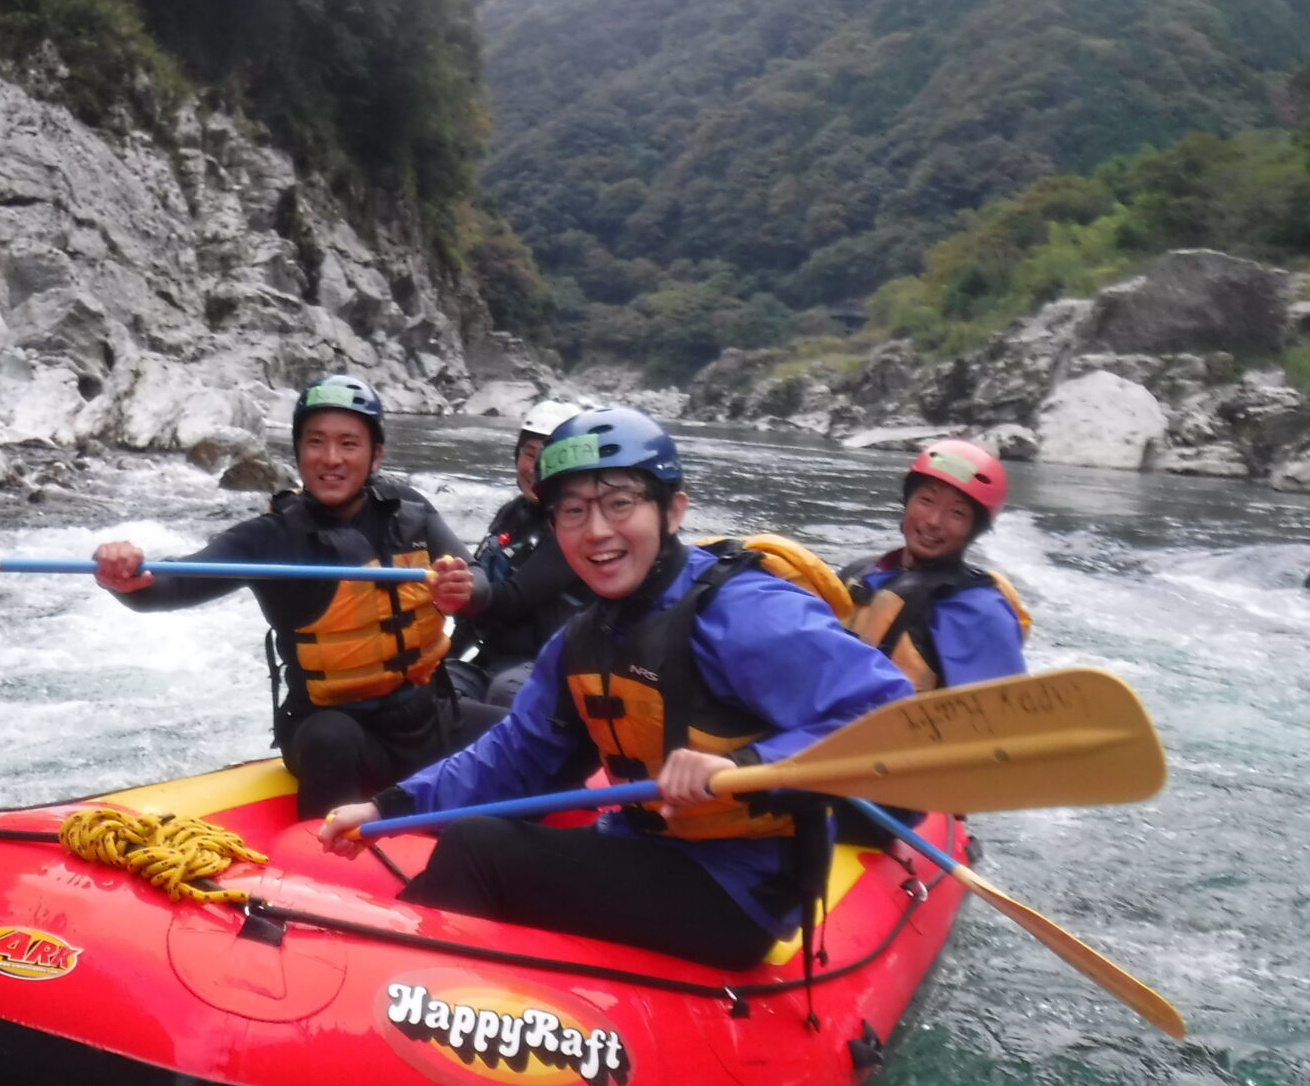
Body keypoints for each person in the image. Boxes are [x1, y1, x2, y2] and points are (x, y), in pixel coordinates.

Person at [318, 409, 914, 971]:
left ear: (672, 511)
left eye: (620, 503)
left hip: (737, 889)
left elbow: (888, 712)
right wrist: (386, 808)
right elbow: (512, 755)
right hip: (648, 850)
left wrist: (745, 762)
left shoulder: (744, 611)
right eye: (573, 512)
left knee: (479, 848)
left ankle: (396, 995)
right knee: (487, 835)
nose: (597, 530)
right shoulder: (583, 639)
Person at [93, 375, 497, 819]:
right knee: (331, 739)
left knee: (529, 734)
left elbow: (477, 582)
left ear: (375, 455)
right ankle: (325, 856)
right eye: (316, 443)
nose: (331, 459)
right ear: (298, 451)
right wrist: (126, 576)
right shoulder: (271, 538)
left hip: (429, 720)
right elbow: (171, 585)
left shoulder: (411, 514)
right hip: (339, 732)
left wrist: (464, 589)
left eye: (349, 444)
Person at [839, 439, 1030, 691]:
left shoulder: (979, 612)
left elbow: (1001, 717)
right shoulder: (862, 572)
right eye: (926, 500)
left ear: (974, 530)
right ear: (907, 502)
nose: (934, 521)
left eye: (957, 513)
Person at [446, 399, 594, 707]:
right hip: (493, 658)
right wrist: (441, 656)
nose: (535, 468)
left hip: (551, 667)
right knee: (431, 684)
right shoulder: (511, 514)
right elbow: (476, 594)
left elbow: (512, 598)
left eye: (547, 457)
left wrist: (459, 591)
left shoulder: (577, 523)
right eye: (529, 454)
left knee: (507, 691)